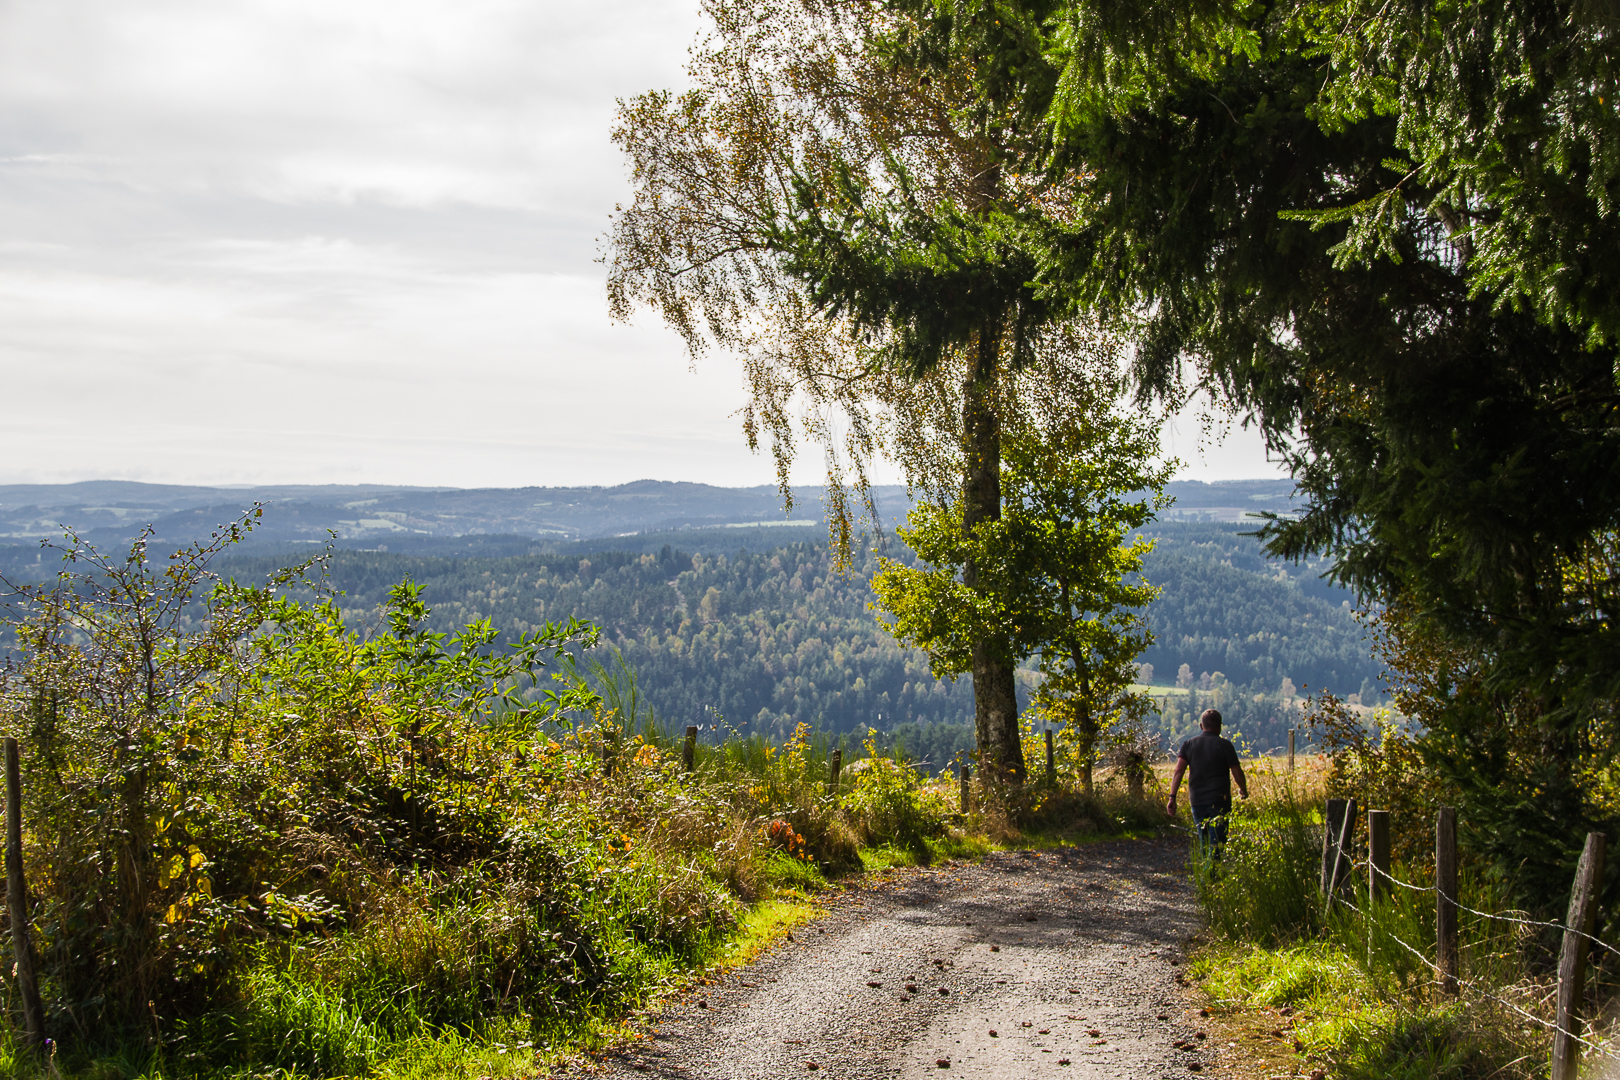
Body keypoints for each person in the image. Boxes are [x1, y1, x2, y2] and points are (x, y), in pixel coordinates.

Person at [1165, 709, 1248, 861]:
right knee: (1217, 842)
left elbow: (1178, 772)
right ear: (1219, 727)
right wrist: (1243, 790)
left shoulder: (1188, 745)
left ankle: (1207, 876)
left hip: (1197, 801)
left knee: (1204, 841)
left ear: (1201, 725)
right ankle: (1211, 877)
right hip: (1219, 801)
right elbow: (1237, 772)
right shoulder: (1225, 745)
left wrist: (1172, 797)